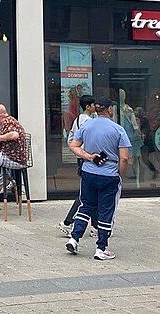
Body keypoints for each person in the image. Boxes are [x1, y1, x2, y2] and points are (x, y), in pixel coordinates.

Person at [65, 96, 130, 261]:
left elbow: (73, 145)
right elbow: (124, 158)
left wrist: (88, 156)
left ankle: (74, 238)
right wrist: (119, 174)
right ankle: (101, 248)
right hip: (109, 174)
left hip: (88, 172)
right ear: (109, 109)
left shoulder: (87, 126)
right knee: (106, 211)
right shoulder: (118, 129)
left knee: (85, 206)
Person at [58, 95, 99, 237]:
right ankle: (67, 222)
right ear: (88, 106)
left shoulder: (77, 120)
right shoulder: (89, 122)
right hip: (89, 159)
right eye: (93, 104)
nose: (95, 107)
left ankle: (95, 227)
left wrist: (78, 151)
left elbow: (71, 140)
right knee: (86, 194)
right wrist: (87, 153)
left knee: (92, 193)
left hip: (82, 159)